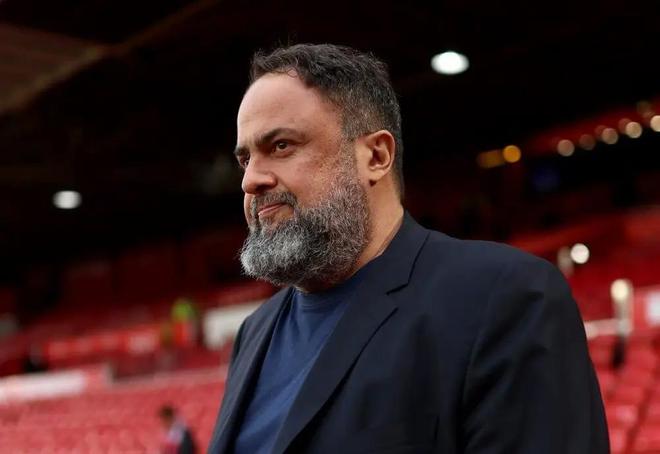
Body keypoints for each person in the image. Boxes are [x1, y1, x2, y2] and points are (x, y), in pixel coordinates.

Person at [208, 43, 608, 453]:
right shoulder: (254, 332)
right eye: (245, 160)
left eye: (281, 146)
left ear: (376, 156)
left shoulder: (507, 297)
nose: (250, 180)